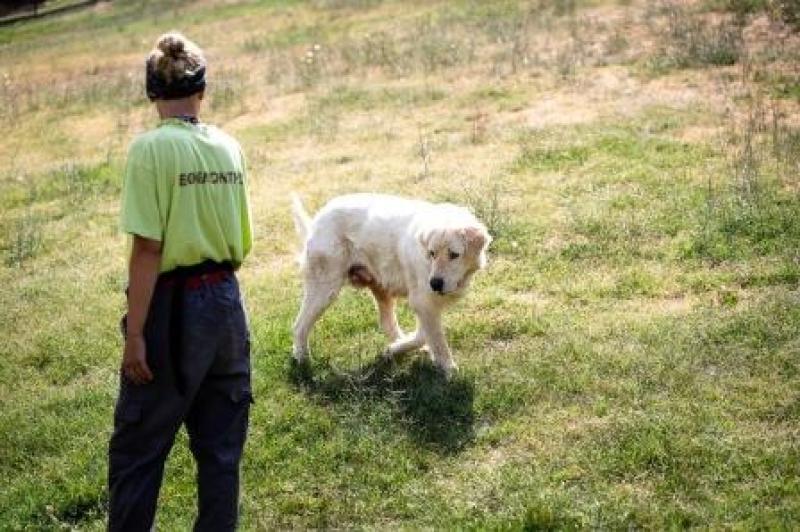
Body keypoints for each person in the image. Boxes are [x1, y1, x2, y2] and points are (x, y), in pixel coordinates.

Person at [108, 31, 253, 531]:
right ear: (202, 90)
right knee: (220, 451)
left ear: (152, 94)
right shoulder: (228, 147)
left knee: (139, 448)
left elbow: (149, 249)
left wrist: (135, 336)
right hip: (228, 305)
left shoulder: (150, 151)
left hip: (175, 310)